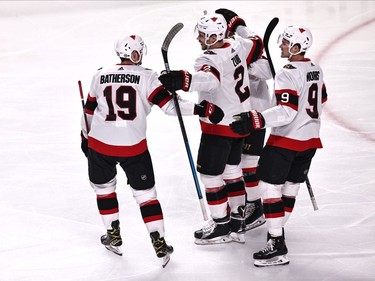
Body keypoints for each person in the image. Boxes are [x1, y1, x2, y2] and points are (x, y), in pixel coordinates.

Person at [80, 34, 224, 267]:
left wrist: (84, 137)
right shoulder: (147, 76)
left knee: (104, 190)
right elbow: (170, 107)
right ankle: (158, 241)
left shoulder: (100, 74)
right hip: (133, 147)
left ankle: (113, 235)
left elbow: (88, 110)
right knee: (146, 196)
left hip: (100, 144)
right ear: (135, 53)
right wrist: (202, 109)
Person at [159, 9, 263, 244]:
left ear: (214, 37)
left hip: (219, 127)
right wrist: (240, 25)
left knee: (210, 175)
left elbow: (210, 79)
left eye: (203, 35)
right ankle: (238, 222)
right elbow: (257, 44)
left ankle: (220, 225)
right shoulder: (237, 44)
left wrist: (184, 80)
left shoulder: (207, 59)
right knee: (232, 172)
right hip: (240, 123)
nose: (199, 38)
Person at [230, 25, 327, 266]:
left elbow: (286, 111)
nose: (281, 45)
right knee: (290, 188)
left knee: (269, 188)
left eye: (285, 42)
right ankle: (277, 230)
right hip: (310, 140)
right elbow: (321, 98)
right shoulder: (316, 69)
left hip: (286, 141)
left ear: (296, 47)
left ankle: (276, 243)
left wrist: (256, 119)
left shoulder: (287, 72)